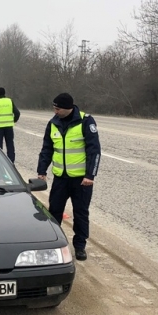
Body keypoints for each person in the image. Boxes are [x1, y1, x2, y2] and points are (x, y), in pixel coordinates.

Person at [37, 92, 101, 261]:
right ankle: (54, 245)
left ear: (68, 108)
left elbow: (94, 151)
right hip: (61, 179)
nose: (55, 111)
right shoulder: (53, 123)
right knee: (54, 212)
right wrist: (42, 171)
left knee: (80, 213)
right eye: (54, 108)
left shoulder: (86, 121)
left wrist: (90, 175)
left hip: (82, 181)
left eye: (58, 109)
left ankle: (79, 246)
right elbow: (47, 149)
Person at [0, 87, 21, 163]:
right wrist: (14, 120)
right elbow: (17, 113)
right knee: (10, 144)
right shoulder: (9, 101)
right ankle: (11, 161)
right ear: (4, 93)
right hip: (9, 127)